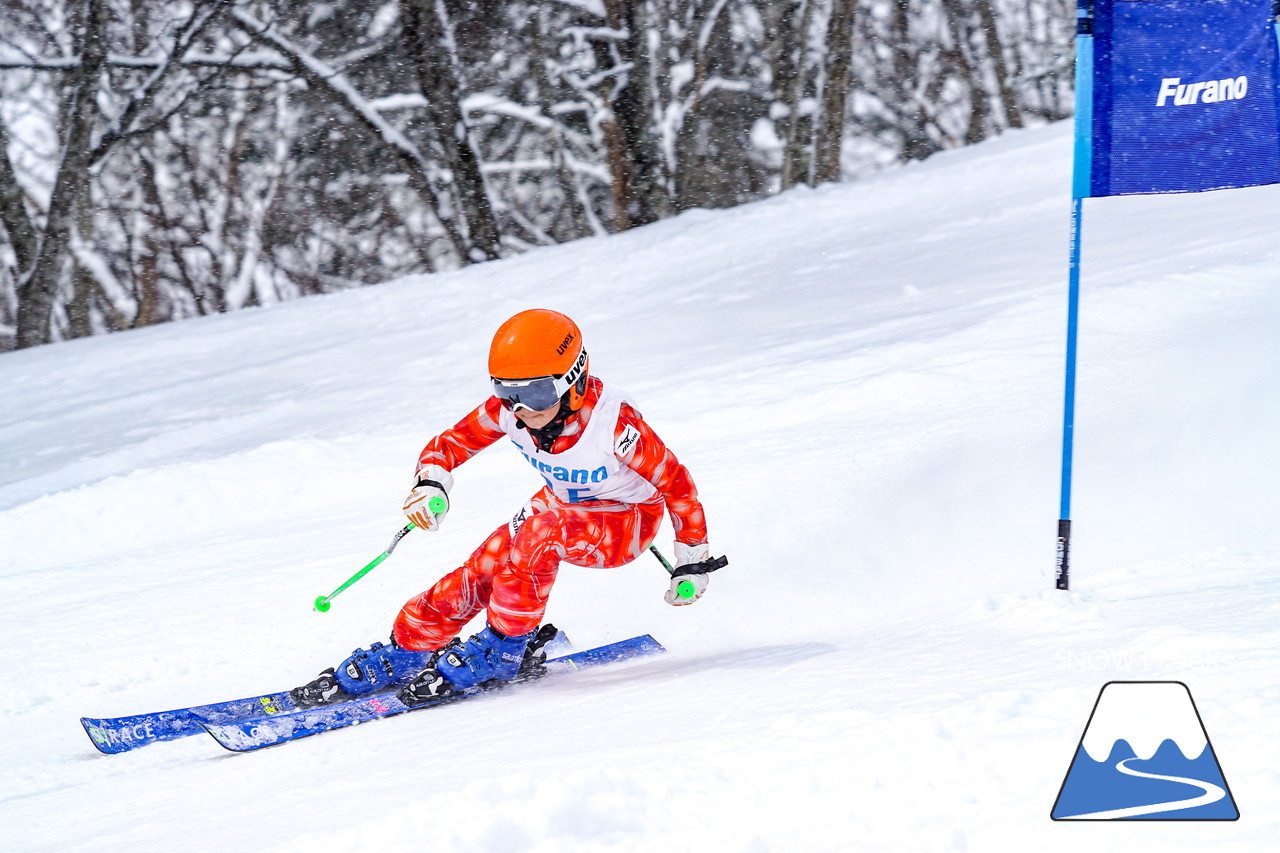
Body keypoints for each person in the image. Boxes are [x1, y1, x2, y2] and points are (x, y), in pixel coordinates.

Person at [292, 308, 721, 707]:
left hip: (625, 521)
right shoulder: (509, 412)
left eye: (535, 393)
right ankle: (411, 647)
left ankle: (503, 648)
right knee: (488, 562)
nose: (518, 407)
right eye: (505, 390)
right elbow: (449, 445)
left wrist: (692, 559)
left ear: (573, 379)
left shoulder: (615, 425)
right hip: (561, 507)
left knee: (538, 535)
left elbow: (677, 484)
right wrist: (432, 484)